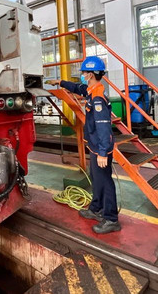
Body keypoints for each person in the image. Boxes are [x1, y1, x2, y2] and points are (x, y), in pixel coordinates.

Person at [48, 56, 120, 234]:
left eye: (84, 73)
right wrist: (61, 82)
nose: (82, 76)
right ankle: (96, 209)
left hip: (100, 148)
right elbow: (78, 88)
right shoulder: (91, 89)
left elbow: (103, 128)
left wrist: (103, 153)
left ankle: (111, 219)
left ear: (91, 74)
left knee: (105, 181)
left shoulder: (97, 99)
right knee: (96, 179)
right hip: (95, 146)